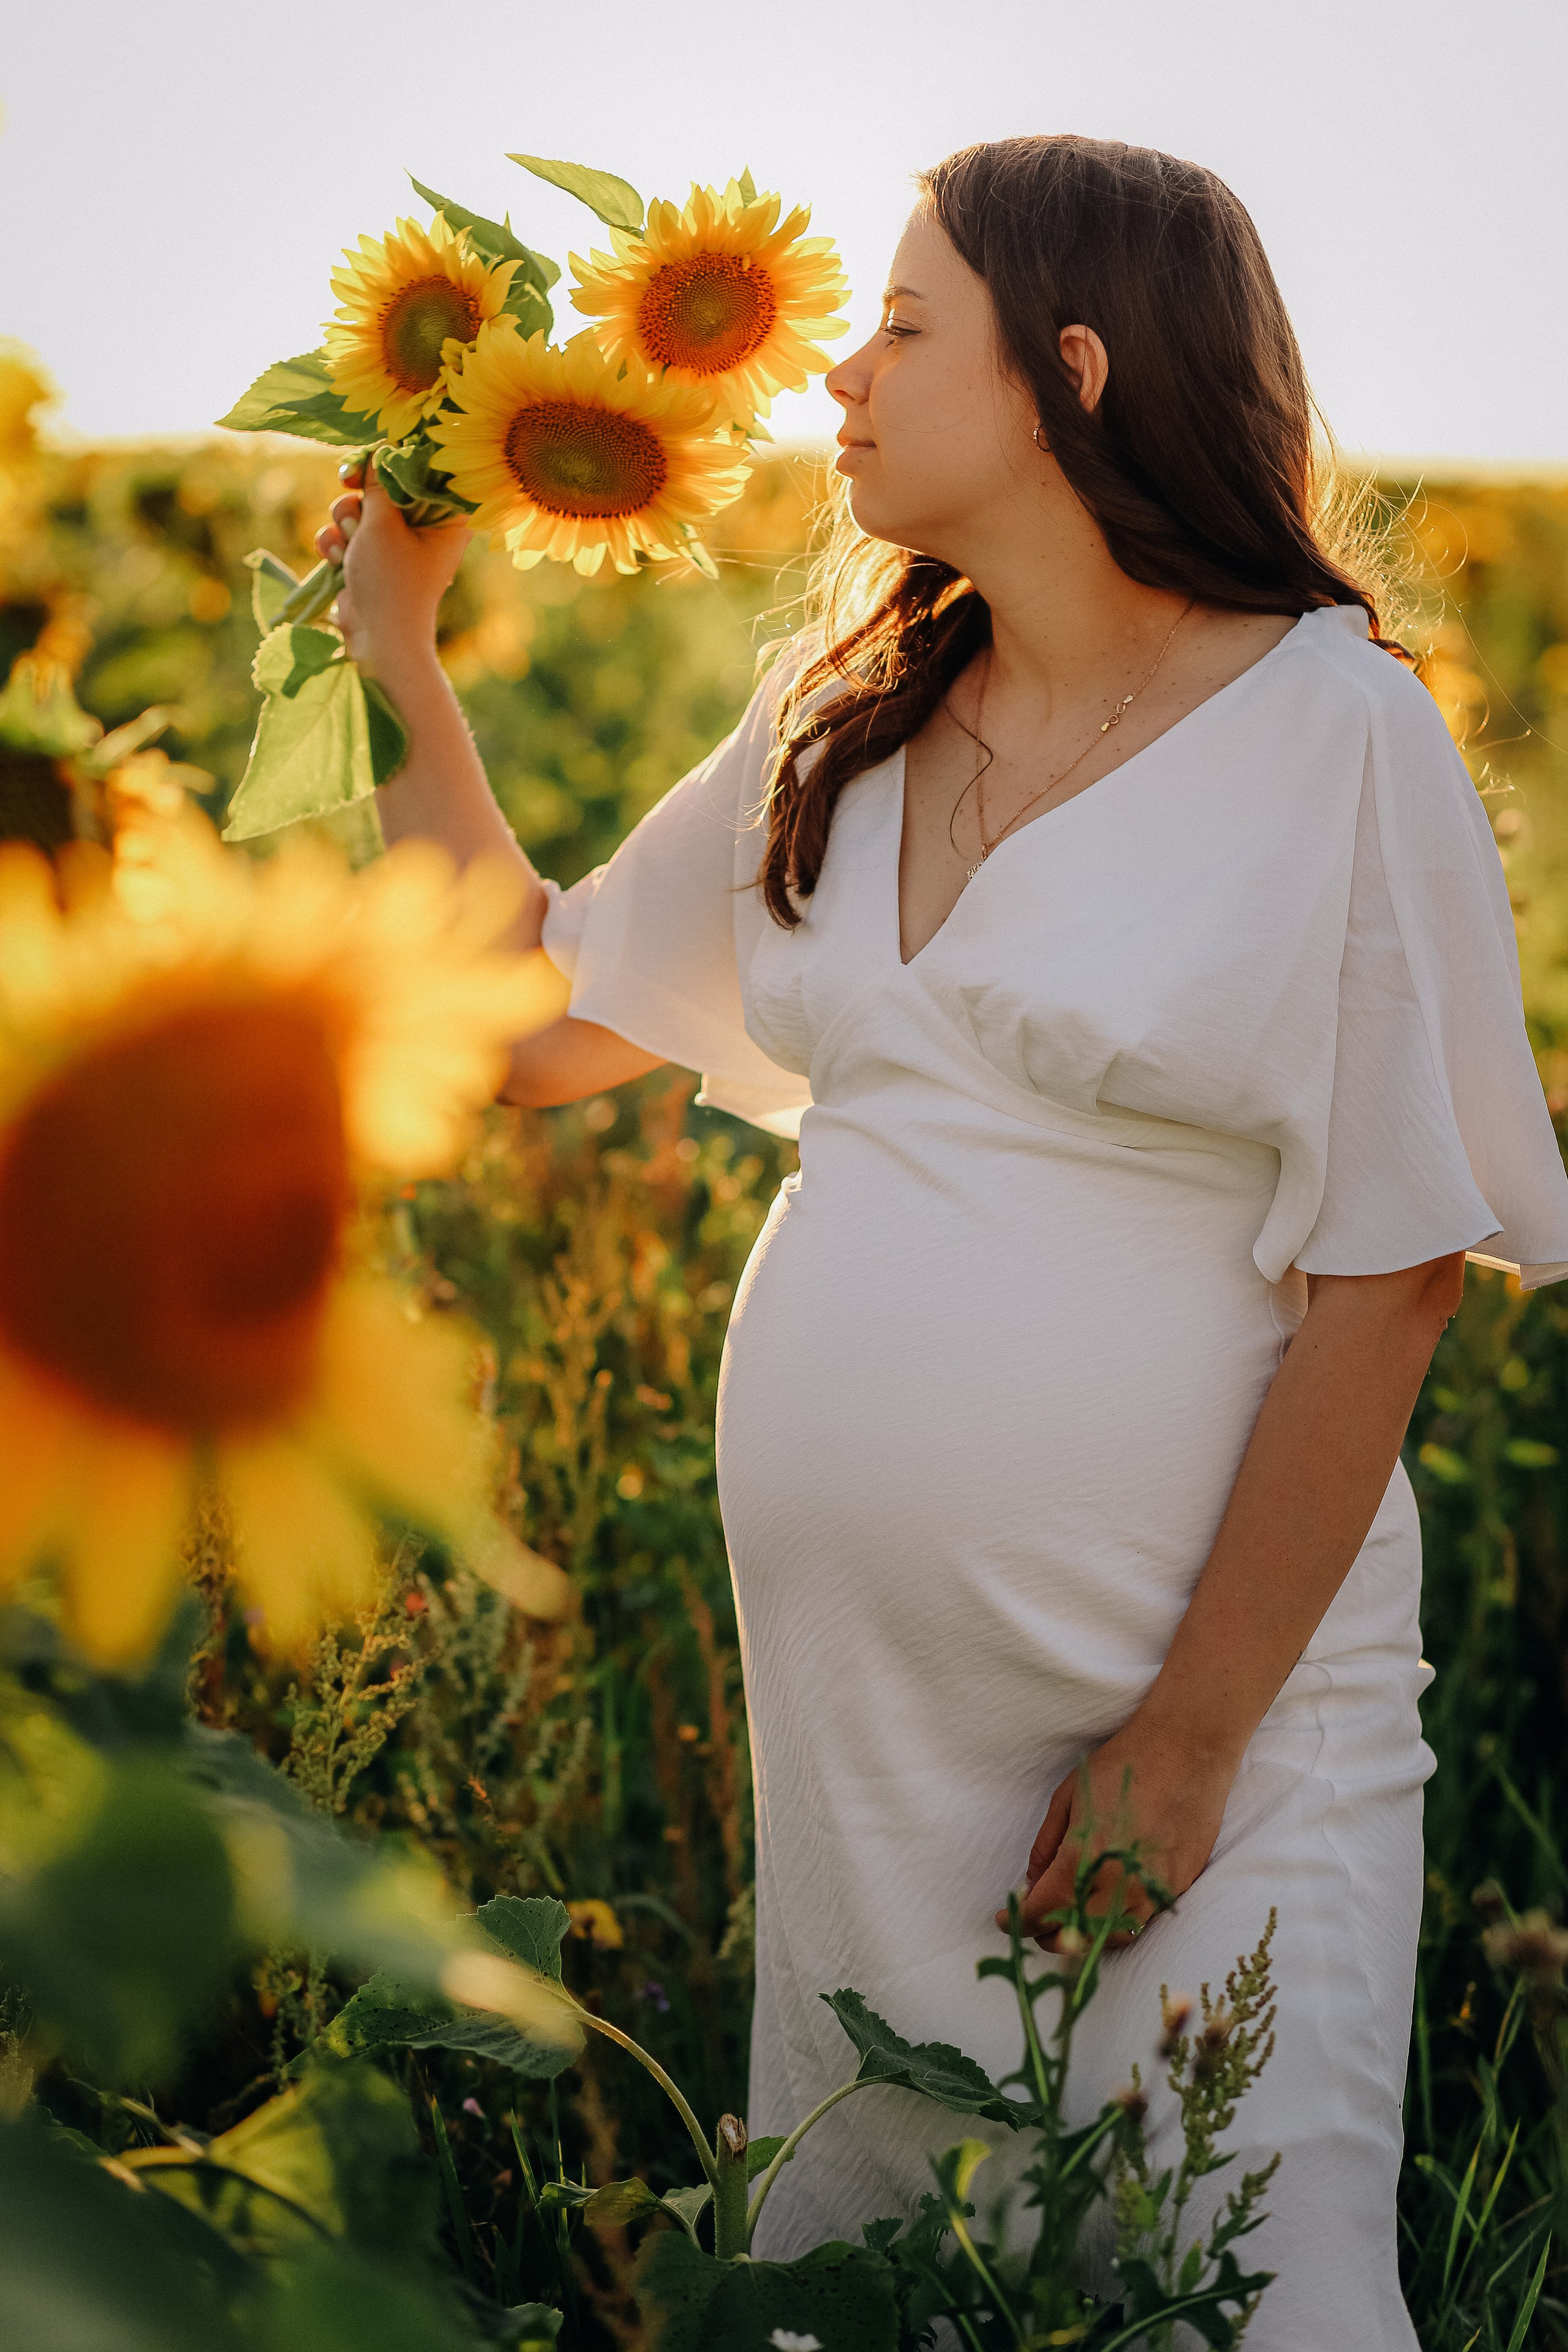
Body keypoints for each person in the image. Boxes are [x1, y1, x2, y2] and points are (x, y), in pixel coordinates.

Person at [316, 134, 1568, 2348]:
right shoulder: (845, 715)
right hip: (873, 1747)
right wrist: (394, 649)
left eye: (900, 327)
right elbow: (519, 1027)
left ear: (1072, 376)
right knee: (891, 2291)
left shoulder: (1334, 733)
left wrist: (1180, 1751)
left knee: (1242, 2295)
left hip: (1212, 1743)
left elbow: (1390, 1271)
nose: (836, 378)